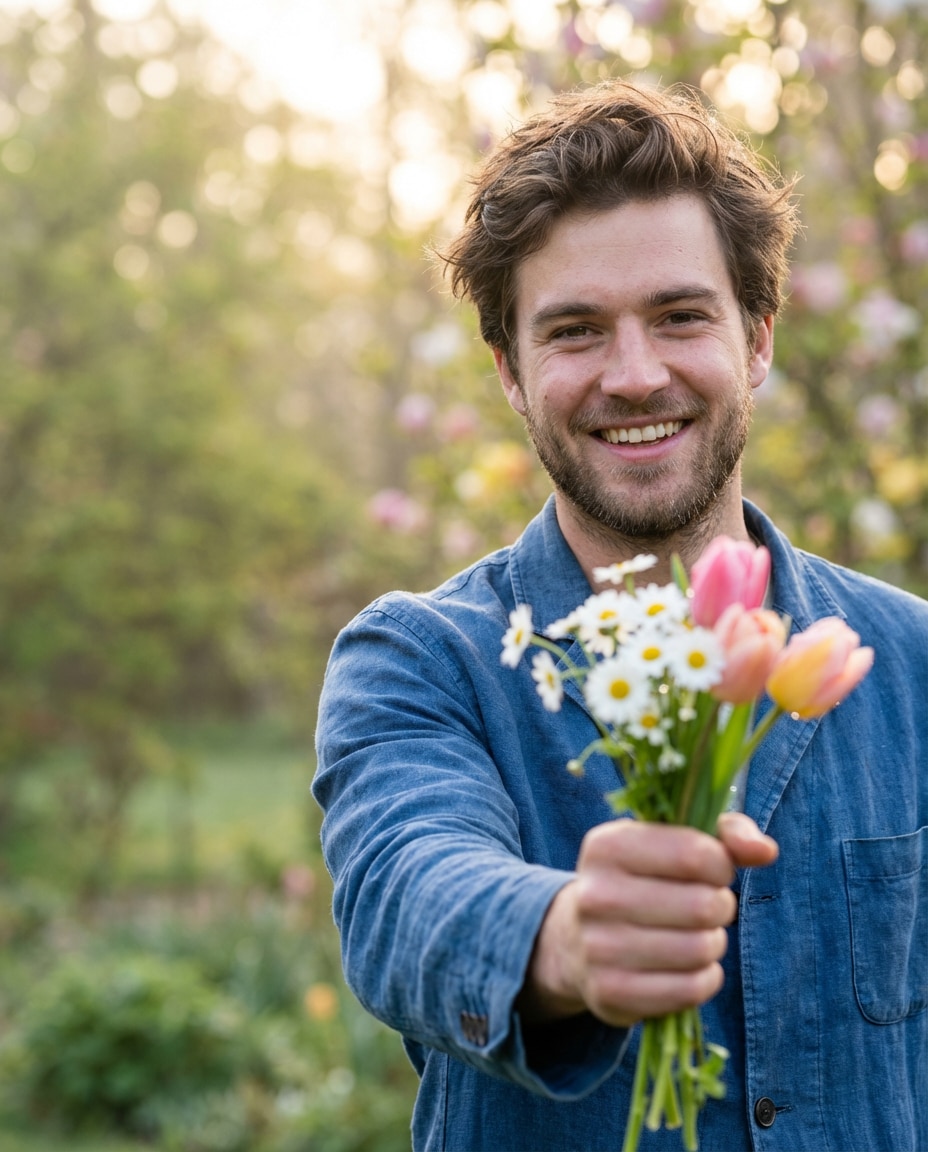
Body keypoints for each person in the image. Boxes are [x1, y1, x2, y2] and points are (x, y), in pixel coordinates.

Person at [313, 80, 927, 1152]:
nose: (634, 375)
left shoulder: (911, 663)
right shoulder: (420, 661)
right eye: (575, 331)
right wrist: (562, 938)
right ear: (510, 372)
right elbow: (404, 890)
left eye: (681, 316)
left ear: (759, 339)